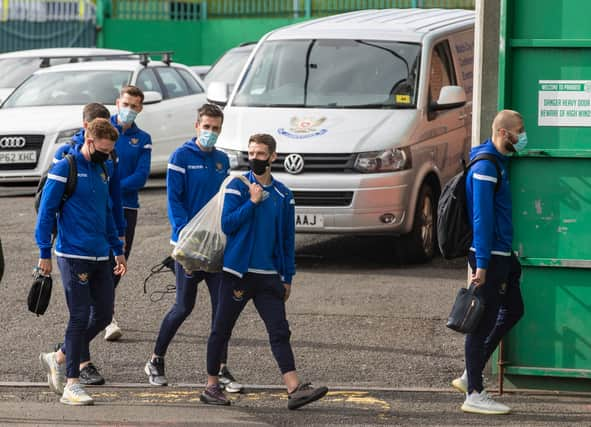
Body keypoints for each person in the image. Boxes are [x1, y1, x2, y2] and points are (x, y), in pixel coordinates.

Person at [201, 133, 328, 409]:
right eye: (251, 153)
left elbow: (287, 239)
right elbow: (228, 224)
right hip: (238, 273)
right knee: (221, 329)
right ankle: (211, 385)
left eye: (260, 154)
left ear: (273, 157)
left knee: (280, 331)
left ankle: (294, 388)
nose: (254, 158)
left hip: (269, 275)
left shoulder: (283, 194)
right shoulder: (237, 186)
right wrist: (252, 202)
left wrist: (288, 277)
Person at [145, 103, 243, 393]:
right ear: (196, 126)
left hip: (214, 245)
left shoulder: (222, 160)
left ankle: (220, 368)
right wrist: (185, 235)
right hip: (189, 245)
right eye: (206, 127)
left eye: (215, 128)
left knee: (222, 309)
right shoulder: (180, 157)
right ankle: (156, 360)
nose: (210, 132)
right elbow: (174, 201)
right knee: (183, 306)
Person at [37, 118, 127, 406]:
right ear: (89, 141)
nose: (107, 155)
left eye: (110, 151)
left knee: (102, 315)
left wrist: (117, 248)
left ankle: (60, 355)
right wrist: (43, 252)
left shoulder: (104, 169)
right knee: (78, 316)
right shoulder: (65, 167)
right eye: (102, 150)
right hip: (73, 255)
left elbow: (108, 211)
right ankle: (72, 384)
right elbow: (47, 212)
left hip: (102, 254)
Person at [453, 109, 525, 415]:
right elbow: (481, 219)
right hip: (489, 256)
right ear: (503, 133)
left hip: (501, 254)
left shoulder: (498, 163)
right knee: (480, 323)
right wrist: (481, 264)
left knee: (514, 309)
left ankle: (473, 372)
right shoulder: (485, 167)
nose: (522, 137)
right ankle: (474, 392)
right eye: (519, 131)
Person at [103, 85, 152, 342]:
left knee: (119, 261)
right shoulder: (101, 129)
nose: (129, 109)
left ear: (140, 108)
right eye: (126, 104)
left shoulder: (142, 138)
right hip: (99, 205)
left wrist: (112, 186)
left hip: (126, 206)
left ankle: (101, 309)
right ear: (117, 102)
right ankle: (106, 315)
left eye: (134, 106)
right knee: (98, 257)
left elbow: (141, 177)